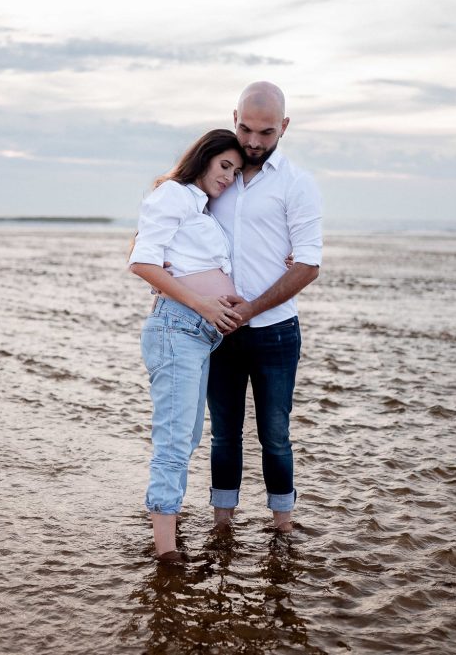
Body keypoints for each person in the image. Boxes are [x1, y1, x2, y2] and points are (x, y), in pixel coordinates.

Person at [206, 82, 323, 534]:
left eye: (267, 133)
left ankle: (282, 527)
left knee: (274, 436)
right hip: (218, 330)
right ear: (233, 117)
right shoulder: (217, 174)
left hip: (275, 332)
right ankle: (222, 525)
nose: (254, 142)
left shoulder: (297, 184)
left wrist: (251, 308)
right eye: (246, 129)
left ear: (285, 127)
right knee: (223, 435)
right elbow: (172, 218)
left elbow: (309, 264)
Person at [128, 129, 246, 563]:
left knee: (189, 436)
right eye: (224, 166)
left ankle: (165, 523)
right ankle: (166, 553)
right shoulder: (174, 194)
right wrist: (204, 305)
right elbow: (142, 261)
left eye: (235, 170)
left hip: (198, 335)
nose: (229, 177)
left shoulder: (202, 210)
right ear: (203, 158)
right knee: (175, 441)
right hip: (177, 328)